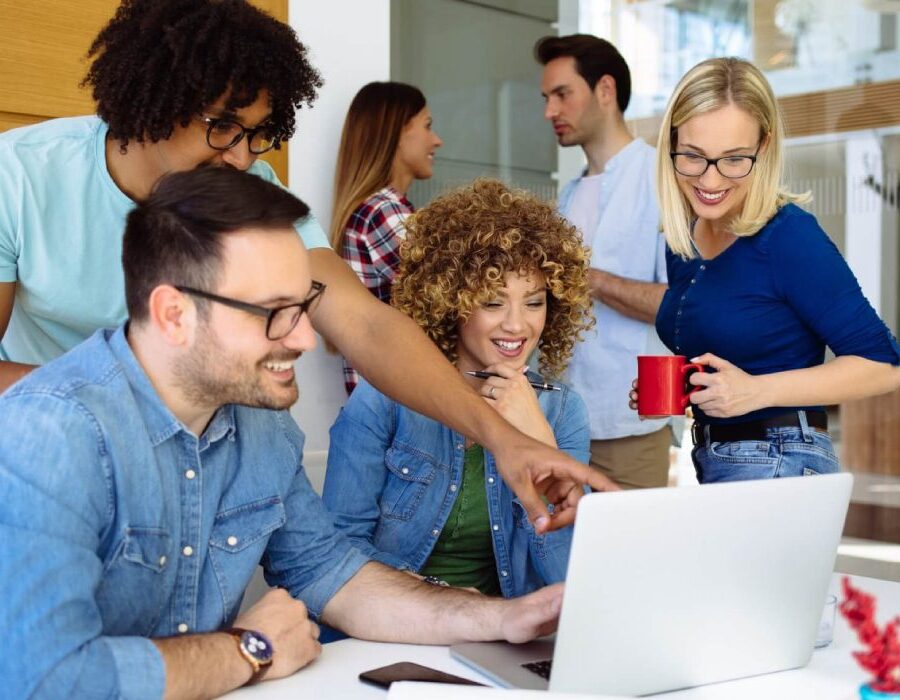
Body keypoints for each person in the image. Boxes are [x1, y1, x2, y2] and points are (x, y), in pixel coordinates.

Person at [0, 0, 611, 530]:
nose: (241, 158)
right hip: (50, 459)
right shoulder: (21, 174)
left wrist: (504, 439)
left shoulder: (251, 191)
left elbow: (364, 325)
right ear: (151, 104)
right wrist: (133, 395)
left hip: (194, 472)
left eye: (256, 134)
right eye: (222, 128)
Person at [0, 169, 566, 699]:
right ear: (174, 315)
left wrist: (501, 618)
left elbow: (331, 573)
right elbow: (43, 678)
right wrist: (248, 649)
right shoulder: (49, 433)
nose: (303, 340)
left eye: (304, 307)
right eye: (273, 312)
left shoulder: (263, 427)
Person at [324, 180, 598, 597]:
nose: (517, 325)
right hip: (390, 629)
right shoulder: (384, 398)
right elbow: (338, 552)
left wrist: (540, 443)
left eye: (534, 302)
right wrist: (445, 603)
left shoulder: (562, 411)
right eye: (492, 301)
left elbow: (573, 579)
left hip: (506, 637)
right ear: (449, 301)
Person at [639, 56, 900, 483]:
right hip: (717, 456)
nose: (711, 178)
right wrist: (688, 390)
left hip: (782, 457)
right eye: (693, 156)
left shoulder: (788, 235)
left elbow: (883, 366)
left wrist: (757, 391)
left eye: (734, 159)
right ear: (670, 146)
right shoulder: (682, 238)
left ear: (764, 147)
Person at [534, 34, 671, 490]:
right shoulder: (569, 196)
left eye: (562, 94)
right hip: (560, 424)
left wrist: (588, 279)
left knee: (631, 559)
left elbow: (682, 303)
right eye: (547, 98)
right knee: (561, 560)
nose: (550, 112)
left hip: (630, 426)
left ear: (605, 91)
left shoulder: (660, 180)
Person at [329, 81, 443, 394]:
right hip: (396, 413)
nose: (437, 140)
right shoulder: (385, 212)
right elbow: (452, 298)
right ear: (396, 132)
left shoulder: (385, 209)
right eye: (428, 126)